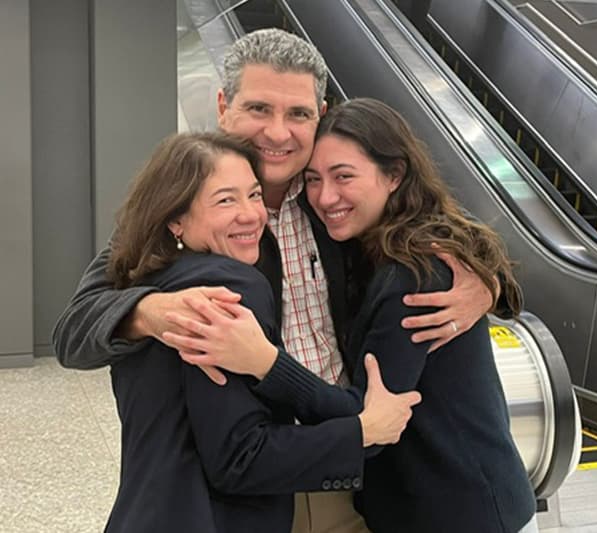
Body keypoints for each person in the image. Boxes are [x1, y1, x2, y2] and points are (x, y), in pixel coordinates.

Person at [53, 29, 505, 532]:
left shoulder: (333, 204)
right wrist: (152, 312)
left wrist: (490, 284)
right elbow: (73, 333)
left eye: (298, 114)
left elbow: (439, 225)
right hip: (247, 487)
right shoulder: (181, 210)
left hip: (350, 473)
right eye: (258, 109)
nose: (277, 133)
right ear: (224, 106)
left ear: (320, 115)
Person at [165, 99, 538, 533]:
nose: (326, 197)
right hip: (401, 497)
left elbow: (375, 416)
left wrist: (264, 362)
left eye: (344, 177)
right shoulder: (362, 242)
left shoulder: (415, 274)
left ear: (394, 175)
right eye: (314, 180)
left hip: (458, 509)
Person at [102, 130, 420, 533]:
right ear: (175, 220)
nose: (252, 214)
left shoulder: (145, 281)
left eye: (253, 195)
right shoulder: (229, 288)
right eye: (225, 200)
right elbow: (240, 457)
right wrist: (362, 431)